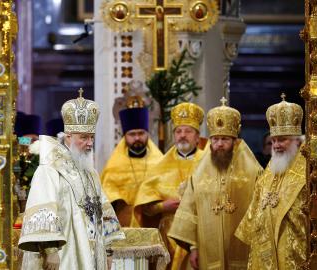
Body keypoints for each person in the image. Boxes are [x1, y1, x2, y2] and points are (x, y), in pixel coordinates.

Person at [18, 89, 124, 270]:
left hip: (93, 250)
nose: (90, 143)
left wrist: (107, 250)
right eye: (83, 137)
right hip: (65, 252)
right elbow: (44, 207)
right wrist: (51, 250)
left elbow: (103, 210)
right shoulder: (50, 168)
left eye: (91, 137)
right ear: (68, 136)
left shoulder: (90, 172)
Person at [168, 97, 263, 269]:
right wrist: (193, 247)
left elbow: (261, 213)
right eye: (215, 139)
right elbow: (190, 209)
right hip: (206, 249)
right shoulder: (199, 173)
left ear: (235, 141)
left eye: (225, 139)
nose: (219, 144)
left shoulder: (253, 171)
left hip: (244, 248)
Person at [235, 94, 308, 269]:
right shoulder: (268, 173)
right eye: (274, 140)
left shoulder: (309, 174)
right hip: (264, 254)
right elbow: (253, 216)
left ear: (298, 141)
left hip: (295, 257)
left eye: (282, 139)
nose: (276, 145)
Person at [134, 102, 206, 270]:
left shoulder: (208, 162)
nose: (183, 135)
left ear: (197, 136)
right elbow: (144, 206)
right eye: (178, 131)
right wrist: (162, 206)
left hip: (201, 234)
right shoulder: (159, 164)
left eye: (188, 131)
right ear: (173, 135)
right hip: (169, 236)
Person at [101, 97, 163, 227]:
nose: (137, 138)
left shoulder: (159, 162)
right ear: (125, 136)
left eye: (141, 133)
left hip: (152, 223)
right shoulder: (114, 166)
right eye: (132, 134)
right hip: (124, 224)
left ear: (147, 134)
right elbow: (106, 198)